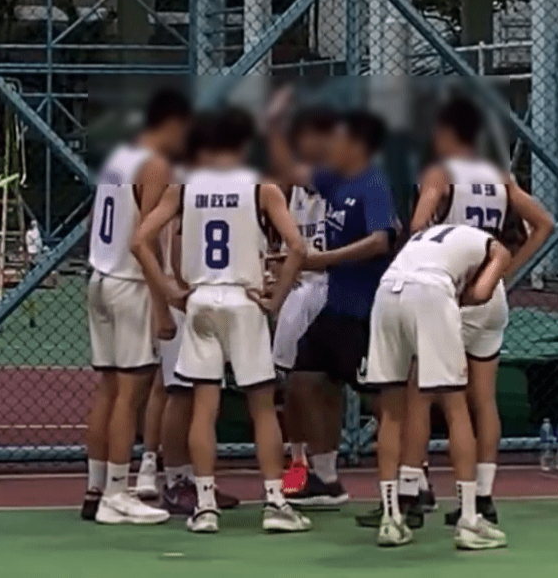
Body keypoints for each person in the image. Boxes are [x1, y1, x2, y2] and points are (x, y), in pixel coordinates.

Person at [372, 94, 553, 530]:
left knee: (420, 392)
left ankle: (412, 490)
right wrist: (506, 268)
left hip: (451, 288)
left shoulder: (440, 172)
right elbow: (544, 224)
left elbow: (418, 226)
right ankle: (483, 494)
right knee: (482, 399)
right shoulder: (499, 176)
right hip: (491, 288)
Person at [132, 106, 311, 535]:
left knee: (203, 406)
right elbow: (298, 247)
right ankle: (275, 501)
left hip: (200, 301)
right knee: (262, 407)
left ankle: (205, 505)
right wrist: (276, 299)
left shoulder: (183, 187)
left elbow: (140, 241)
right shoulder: (261, 188)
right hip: (243, 300)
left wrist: (170, 290)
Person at [82, 86, 191, 525]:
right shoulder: (155, 164)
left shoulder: (118, 159)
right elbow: (145, 240)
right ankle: (116, 493)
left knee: (108, 390)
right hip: (129, 284)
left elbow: (96, 221)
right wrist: (163, 304)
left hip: (99, 277)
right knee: (131, 395)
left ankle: (95, 489)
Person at [365, 223, 511, 550]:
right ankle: (469, 519)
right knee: (456, 405)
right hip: (431, 293)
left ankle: (391, 517)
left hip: (386, 292)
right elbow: (481, 293)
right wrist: (456, 301)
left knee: (391, 410)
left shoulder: (431, 236)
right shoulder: (493, 246)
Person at [283, 109, 400, 507]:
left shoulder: (373, 183)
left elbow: (381, 240)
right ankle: (325, 478)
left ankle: (411, 482)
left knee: (381, 401)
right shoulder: (334, 179)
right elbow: (294, 170)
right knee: (304, 381)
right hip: (333, 310)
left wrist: (325, 259)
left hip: (364, 313)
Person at [135, 113, 240, 514]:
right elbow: (171, 244)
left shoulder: (198, 184)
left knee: (190, 391)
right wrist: (172, 295)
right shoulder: (184, 185)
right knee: (182, 392)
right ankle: (176, 479)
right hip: (187, 297)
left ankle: (191, 479)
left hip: (193, 296)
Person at [265, 93, 338, 494]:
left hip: (330, 286)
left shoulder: (334, 179)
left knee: (328, 386)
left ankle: (326, 467)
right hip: (302, 287)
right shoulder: (293, 188)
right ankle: (298, 462)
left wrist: (275, 123)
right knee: (293, 382)